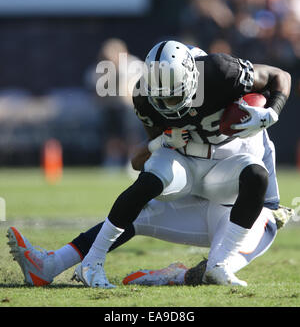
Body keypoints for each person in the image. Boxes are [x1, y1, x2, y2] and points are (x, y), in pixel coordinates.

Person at [74, 40, 291, 287]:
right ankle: (92, 262)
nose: (170, 105)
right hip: (185, 166)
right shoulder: (143, 94)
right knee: (150, 180)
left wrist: (271, 112)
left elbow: (280, 76)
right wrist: (165, 139)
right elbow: (146, 151)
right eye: (163, 98)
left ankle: (219, 265)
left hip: (225, 171)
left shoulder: (220, 72)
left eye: (176, 94)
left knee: (256, 175)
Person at [6, 198, 293, 287]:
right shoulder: (187, 109)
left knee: (214, 274)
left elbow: (281, 78)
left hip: (245, 217)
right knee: (140, 210)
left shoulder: (253, 130)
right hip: (203, 205)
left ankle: (174, 276)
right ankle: (50, 265)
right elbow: (140, 161)